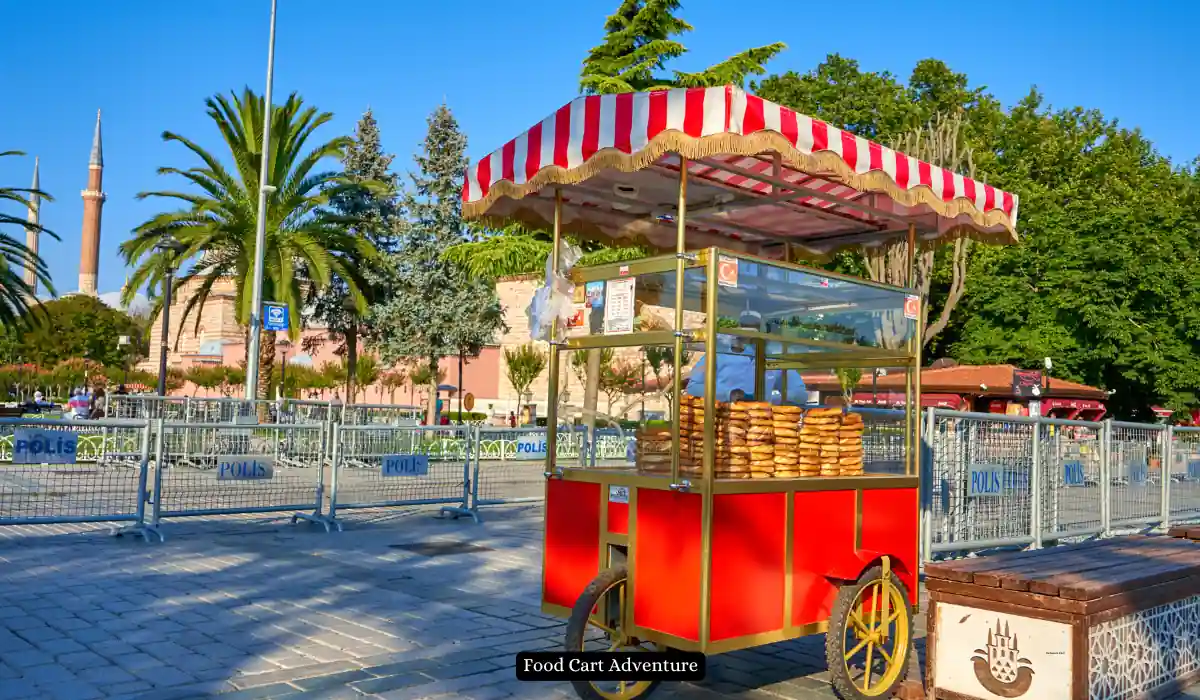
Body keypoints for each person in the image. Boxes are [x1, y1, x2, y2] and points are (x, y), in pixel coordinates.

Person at [684, 308, 808, 405]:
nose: (749, 332)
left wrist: (771, 398)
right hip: (724, 423)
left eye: (754, 327)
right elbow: (693, 387)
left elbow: (801, 394)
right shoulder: (719, 354)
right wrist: (728, 395)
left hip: (761, 423)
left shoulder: (774, 358)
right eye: (746, 326)